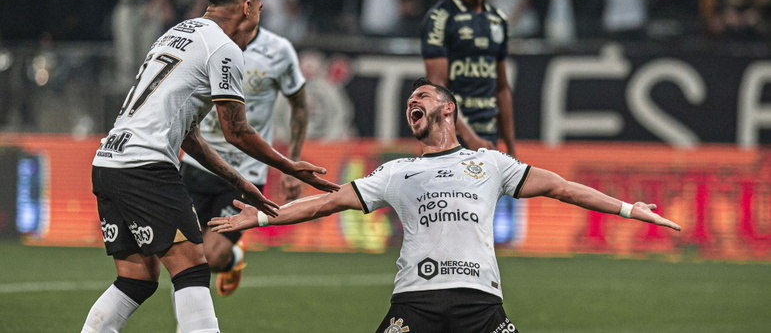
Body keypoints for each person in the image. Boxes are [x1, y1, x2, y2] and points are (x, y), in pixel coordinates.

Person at [209, 77, 682, 332]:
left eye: (422, 96)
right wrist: (263, 215)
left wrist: (625, 208)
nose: (411, 102)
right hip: (417, 300)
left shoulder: (490, 163)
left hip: (481, 303)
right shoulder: (396, 171)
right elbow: (326, 204)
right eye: (409, 100)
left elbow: (560, 186)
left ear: (448, 108)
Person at [82, 0, 339, 333]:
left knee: (136, 279)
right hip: (145, 165)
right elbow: (235, 130)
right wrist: (290, 166)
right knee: (193, 268)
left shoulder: (176, 33)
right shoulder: (223, 46)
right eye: (260, 8)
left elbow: (191, 135)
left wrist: (239, 181)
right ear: (248, 7)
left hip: (109, 161)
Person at [179, 21, 308, 297]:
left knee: (212, 257)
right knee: (182, 253)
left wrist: (292, 165)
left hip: (245, 173)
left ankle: (232, 259)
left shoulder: (278, 50)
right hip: (197, 164)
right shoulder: (203, 40)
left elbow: (299, 106)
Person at [420, 0, 518, 244]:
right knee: (450, 223)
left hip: (487, 137)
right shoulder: (440, 17)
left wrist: (511, 148)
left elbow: (502, 87)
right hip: (451, 139)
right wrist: (468, 136)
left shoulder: (498, 20)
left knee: (480, 229)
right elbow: (437, 90)